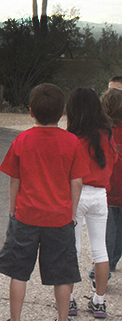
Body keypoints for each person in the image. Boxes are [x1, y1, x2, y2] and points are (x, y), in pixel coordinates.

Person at [0, 83, 90, 321]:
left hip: (26, 215)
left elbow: (14, 180)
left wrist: (12, 211)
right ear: (62, 112)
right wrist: (72, 213)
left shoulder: (22, 140)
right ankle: (62, 318)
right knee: (63, 274)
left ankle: (15, 318)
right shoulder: (71, 142)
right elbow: (76, 182)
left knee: (19, 273)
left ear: (31, 111)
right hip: (59, 217)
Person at [65, 88, 116, 318]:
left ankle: (69, 300)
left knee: (72, 250)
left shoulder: (72, 138)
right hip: (99, 195)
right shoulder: (107, 134)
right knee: (100, 250)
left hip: (76, 194)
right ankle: (99, 301)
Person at [101, 89, 122, 275]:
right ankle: (112, 261)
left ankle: (104, 266)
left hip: (106, 190)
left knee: (108, 232)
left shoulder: (103, 133)